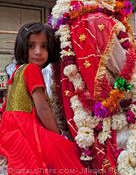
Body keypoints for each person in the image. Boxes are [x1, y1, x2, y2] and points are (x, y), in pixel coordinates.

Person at [49, 0, 136, 175]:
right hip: (116, 120)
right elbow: (126, 69)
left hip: (85, 122)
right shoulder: (99, 21)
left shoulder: (67, 23)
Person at [0, 22, 93, 175]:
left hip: (10, 128)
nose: (38, 52)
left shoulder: (17, 70)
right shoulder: (31, 69)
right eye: (31, 46)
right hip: (25, 126)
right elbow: (42, 108)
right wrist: (58, 135)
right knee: (66, 148)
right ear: (23, 47)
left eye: (44, 46)